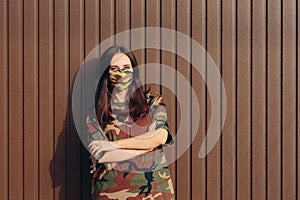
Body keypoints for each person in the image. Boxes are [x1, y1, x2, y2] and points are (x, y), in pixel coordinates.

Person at [86, 46, 175, 200]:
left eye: (126, 67)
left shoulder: (152, 101)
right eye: (114, 68)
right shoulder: (96, 116)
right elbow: (103, 156)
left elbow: (161, 136)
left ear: (134, 70)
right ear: (106, 73)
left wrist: (114, 145)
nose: (121, 73)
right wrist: (151, 147)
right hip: (111, 192)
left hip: (155, 191)